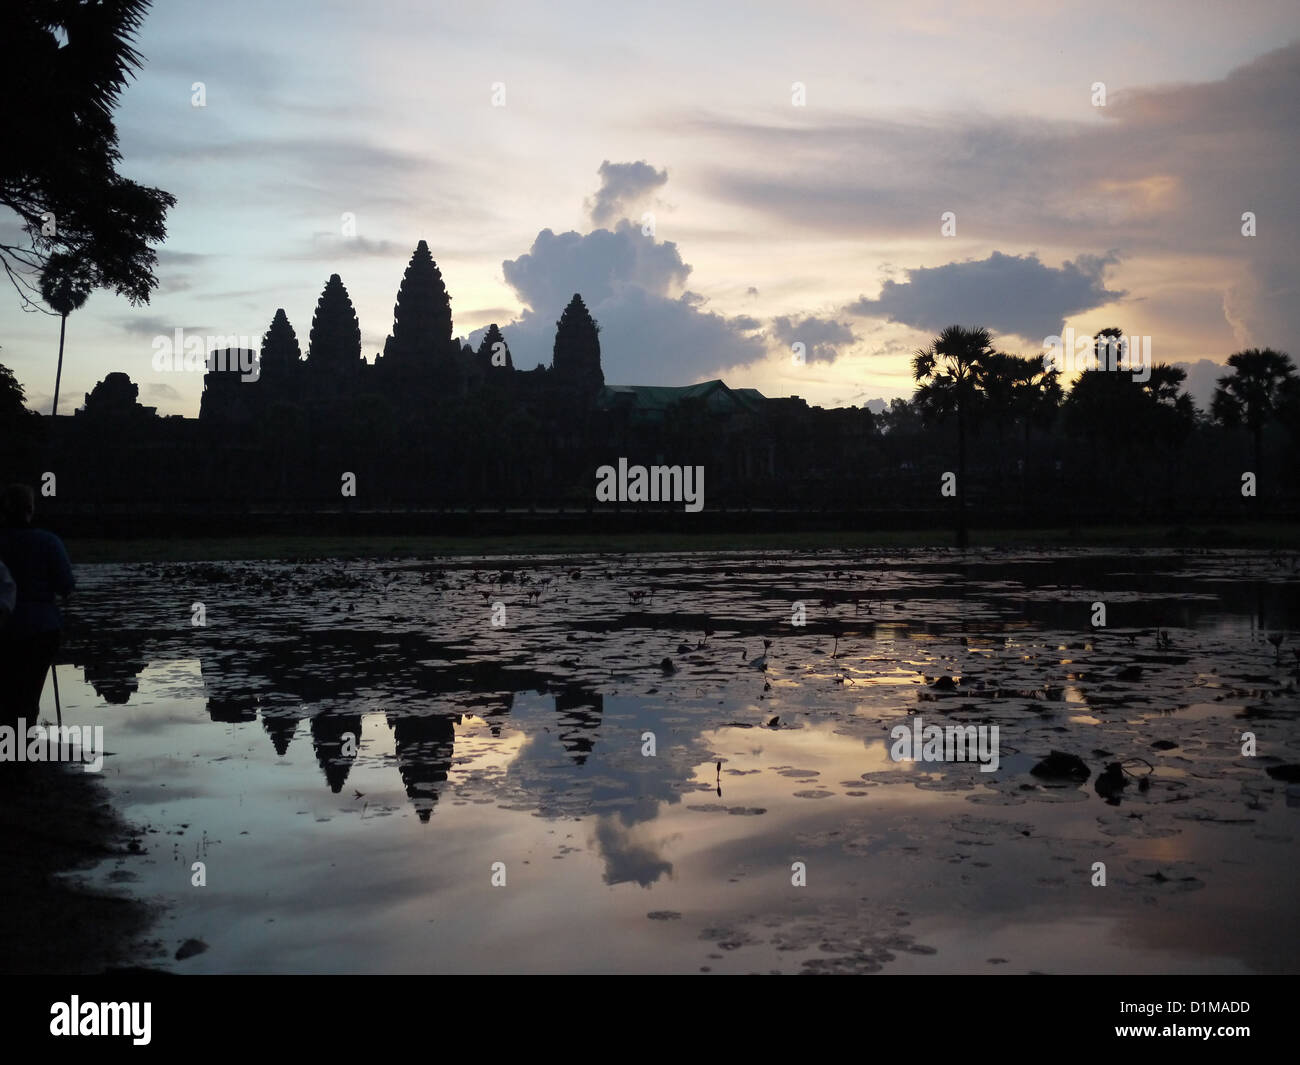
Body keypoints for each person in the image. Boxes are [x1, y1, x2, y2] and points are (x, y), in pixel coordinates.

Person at [0, 484, 75, 729]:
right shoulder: (48, 541)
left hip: (6, 627)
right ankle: (24, 752)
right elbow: (66, 586)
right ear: (31, 509)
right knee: (29, 694)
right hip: (42, 627)